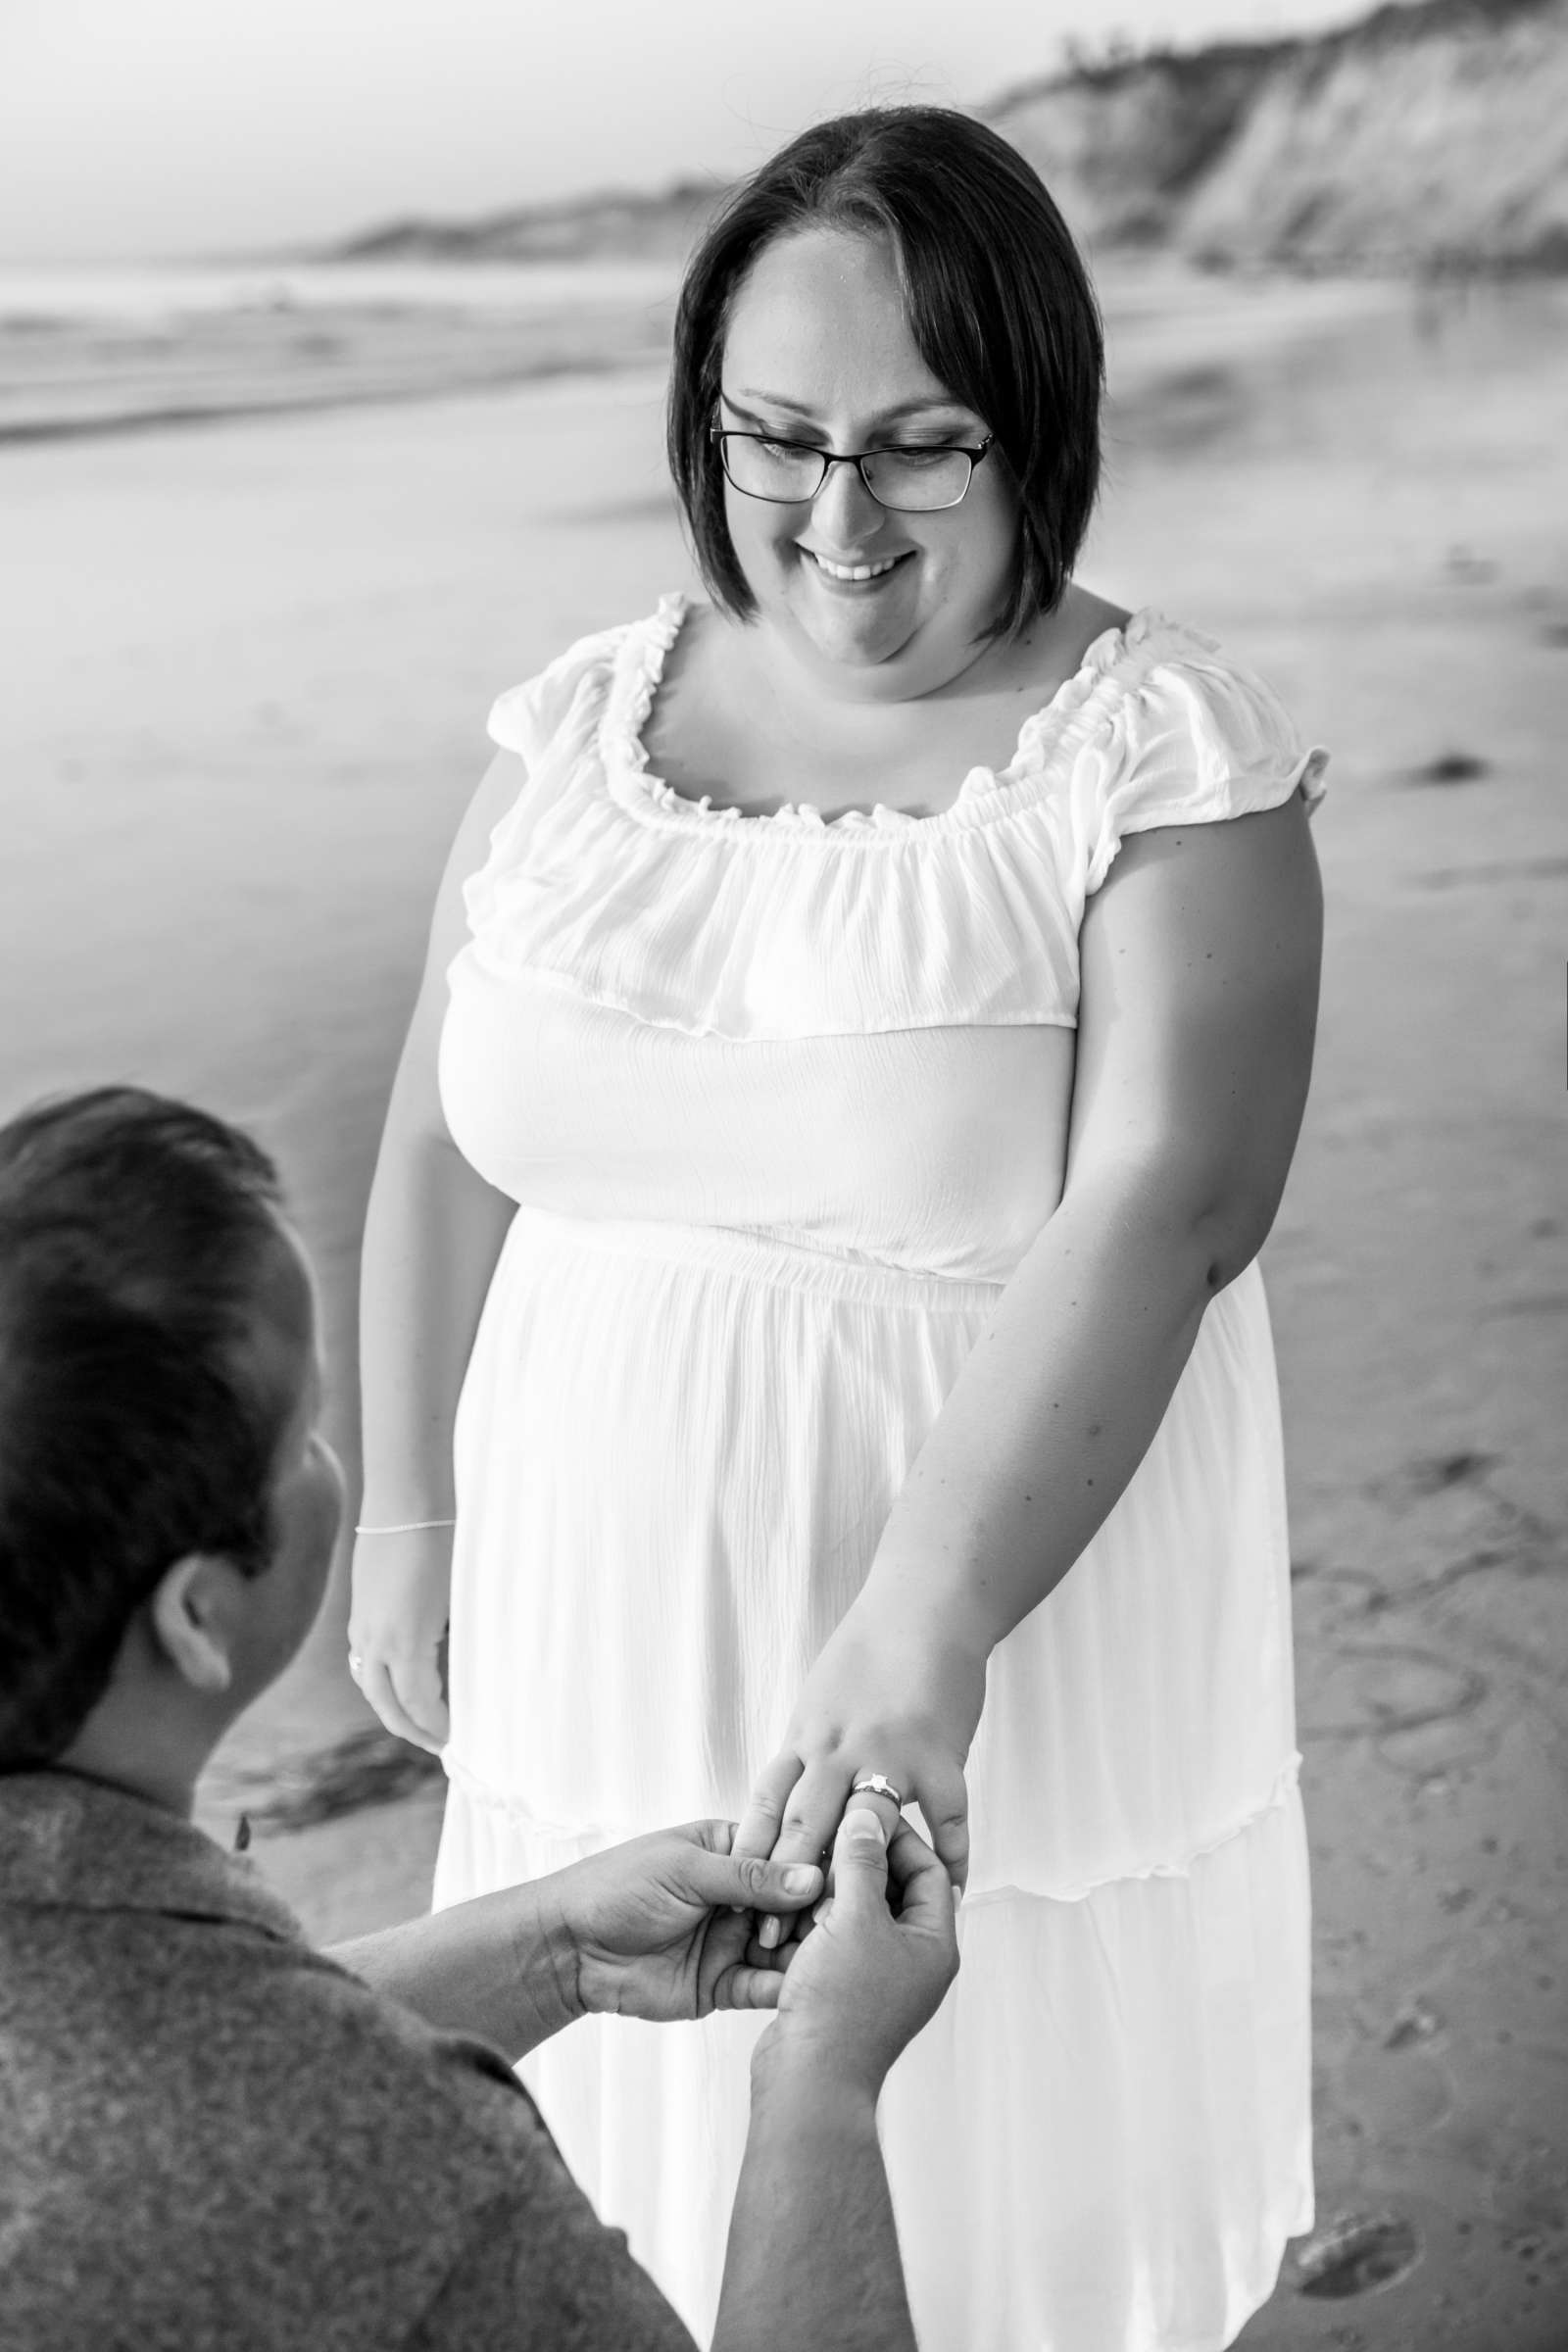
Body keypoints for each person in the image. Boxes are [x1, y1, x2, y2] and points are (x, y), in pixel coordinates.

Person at [351, 103, 1327, 2352]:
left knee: (977, 2161)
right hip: (587, 1580)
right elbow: (434, 1125)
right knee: (617, 2119)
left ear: (1033, 430)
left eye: (916, 444)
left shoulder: (1161, 751)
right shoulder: (586, 721)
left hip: (992, 1581)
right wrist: (411, 1514)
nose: (833, 515)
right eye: (775, 437)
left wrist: (926, 1626)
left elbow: (1166, 1211)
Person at [0, 1086, 957, 2352]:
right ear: (195, 1614)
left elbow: (145, 2029)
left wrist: (555, 1949)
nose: (335, 1459)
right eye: (302, 1438)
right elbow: (230, 2089)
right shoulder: (425, 2177)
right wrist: (820, 2083)